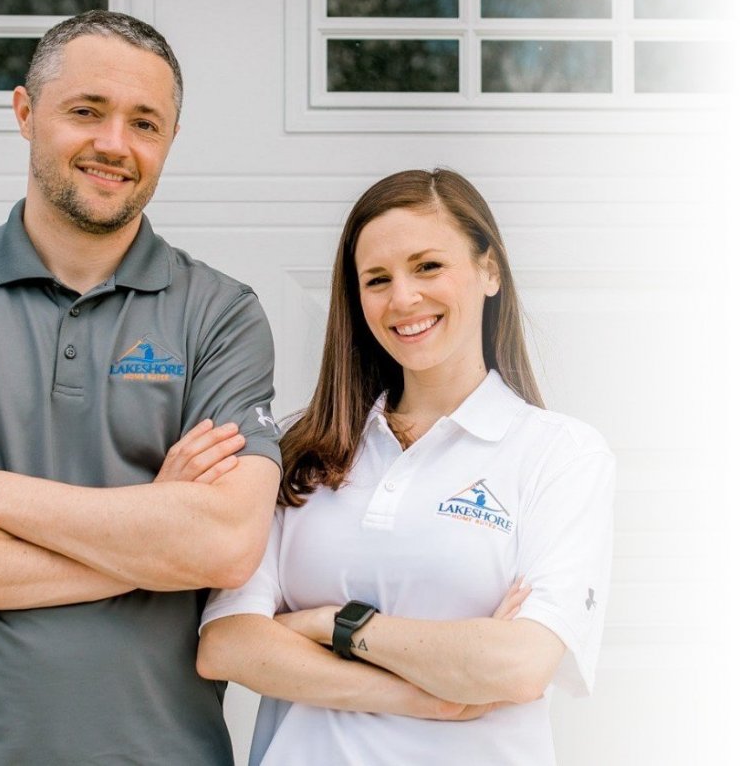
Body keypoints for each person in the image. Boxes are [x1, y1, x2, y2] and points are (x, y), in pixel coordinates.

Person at [0, 10, 281, 766]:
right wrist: (151, 539)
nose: (114, 143)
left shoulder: (220, 315)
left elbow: (226, 544)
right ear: (24, 112)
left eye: (145, 123)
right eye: (87, 111)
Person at [197, 169, 615, 765]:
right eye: (377, 279)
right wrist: (429, 693)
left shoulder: (560, 455)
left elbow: (520, 664)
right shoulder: (300, 447)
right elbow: (227, 643)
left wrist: (329, 623)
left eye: (428, 266)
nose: (403, 299)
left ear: (489, 270)